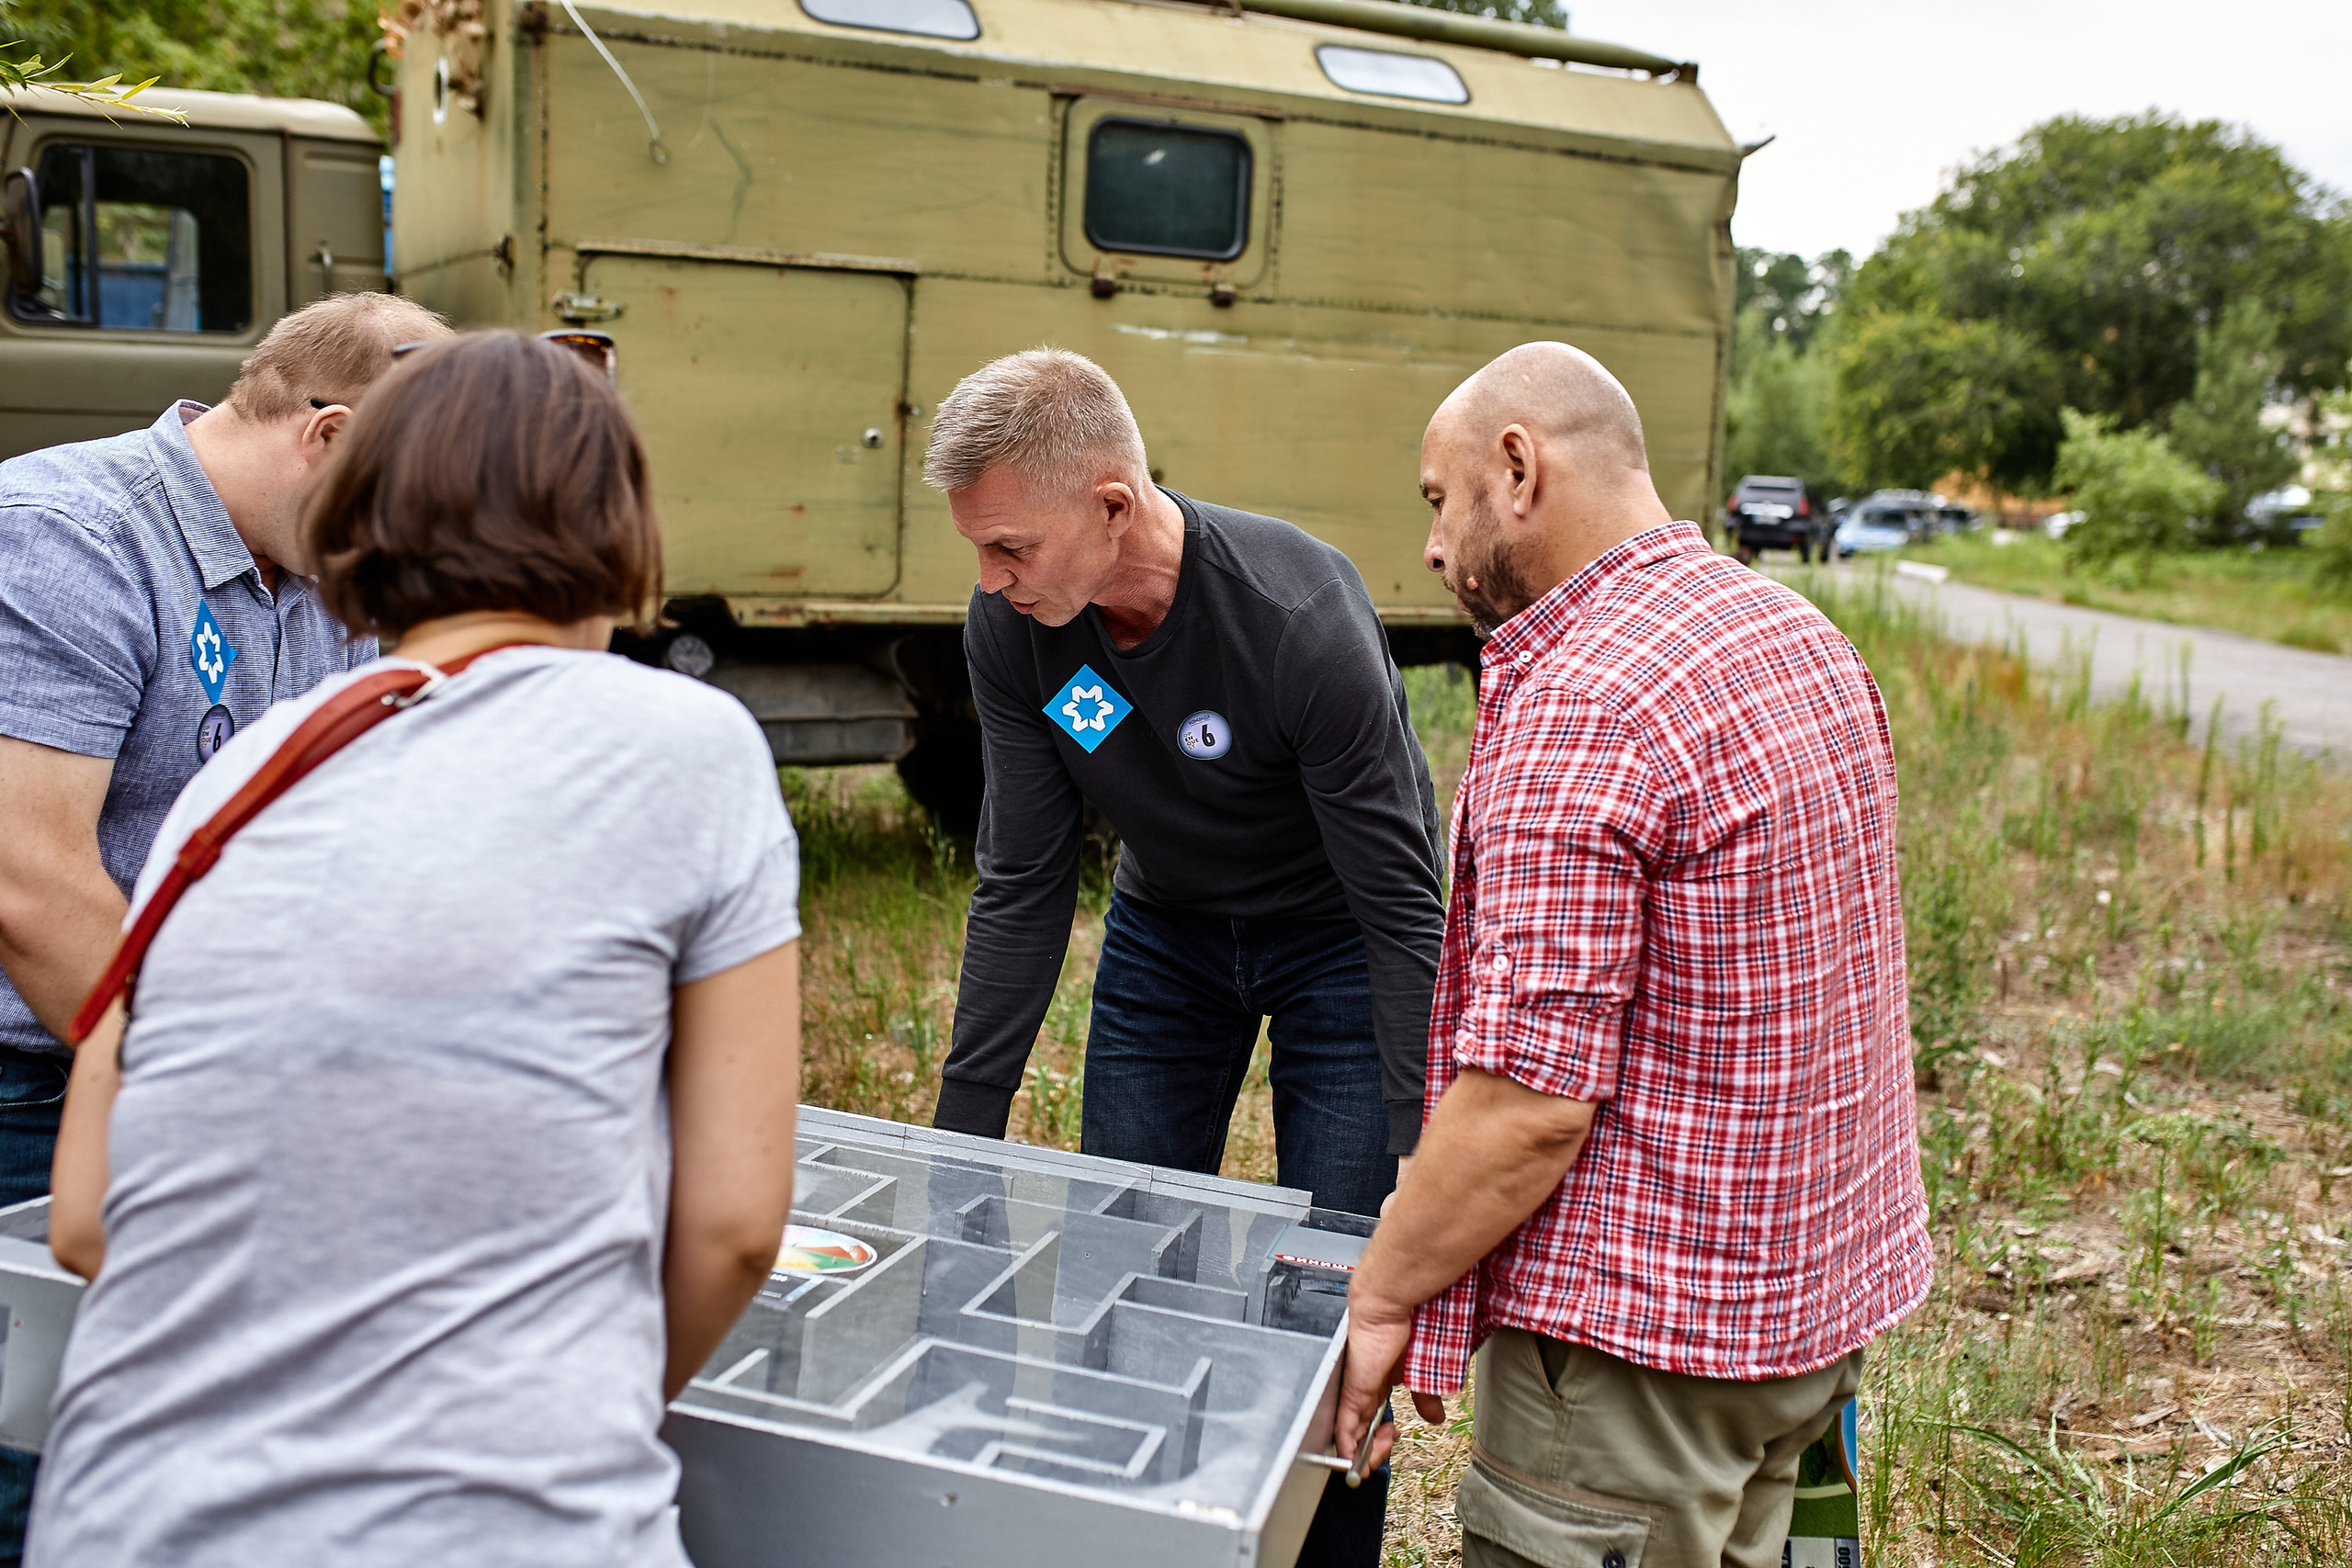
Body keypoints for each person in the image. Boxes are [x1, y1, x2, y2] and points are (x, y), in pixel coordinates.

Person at [25, 332, 805, 1568]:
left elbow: (83, 1217)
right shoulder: (690, 745)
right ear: (616, 531)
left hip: (131, 1522)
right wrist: (562, 1399)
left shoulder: (237, 773)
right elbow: (733, 1230)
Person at [1335, 343, 1932, 1568]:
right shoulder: (1796, 633)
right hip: (1807, 1326)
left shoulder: (1589, 699)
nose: (1437, 549)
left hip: (1638, 1366)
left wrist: (1386, 1291)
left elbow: (1527, 1107)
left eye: (1439, 502)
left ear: (1518, 467)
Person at [924, 347, 1444, 1563]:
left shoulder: (1294, 616)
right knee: (1126, 1262)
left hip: (1335, 942)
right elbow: (1023, 878)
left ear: (1113, 505)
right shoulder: (1019, 636)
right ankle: (1144, 1535)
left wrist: (1423, 1153)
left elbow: (1402, 904)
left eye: (1012, 549)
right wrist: (962, 1139)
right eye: (981, 553)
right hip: (1167, 940)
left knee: (1331, 1290)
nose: (992, 582)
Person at [0, 289, 452, 1559]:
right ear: (327, 438)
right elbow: (30, 884)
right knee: (32, 1454)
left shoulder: (317, 575)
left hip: (170, 1078)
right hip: (33, 1090)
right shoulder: (64, 538)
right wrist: (230, 1103)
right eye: (404, 497)